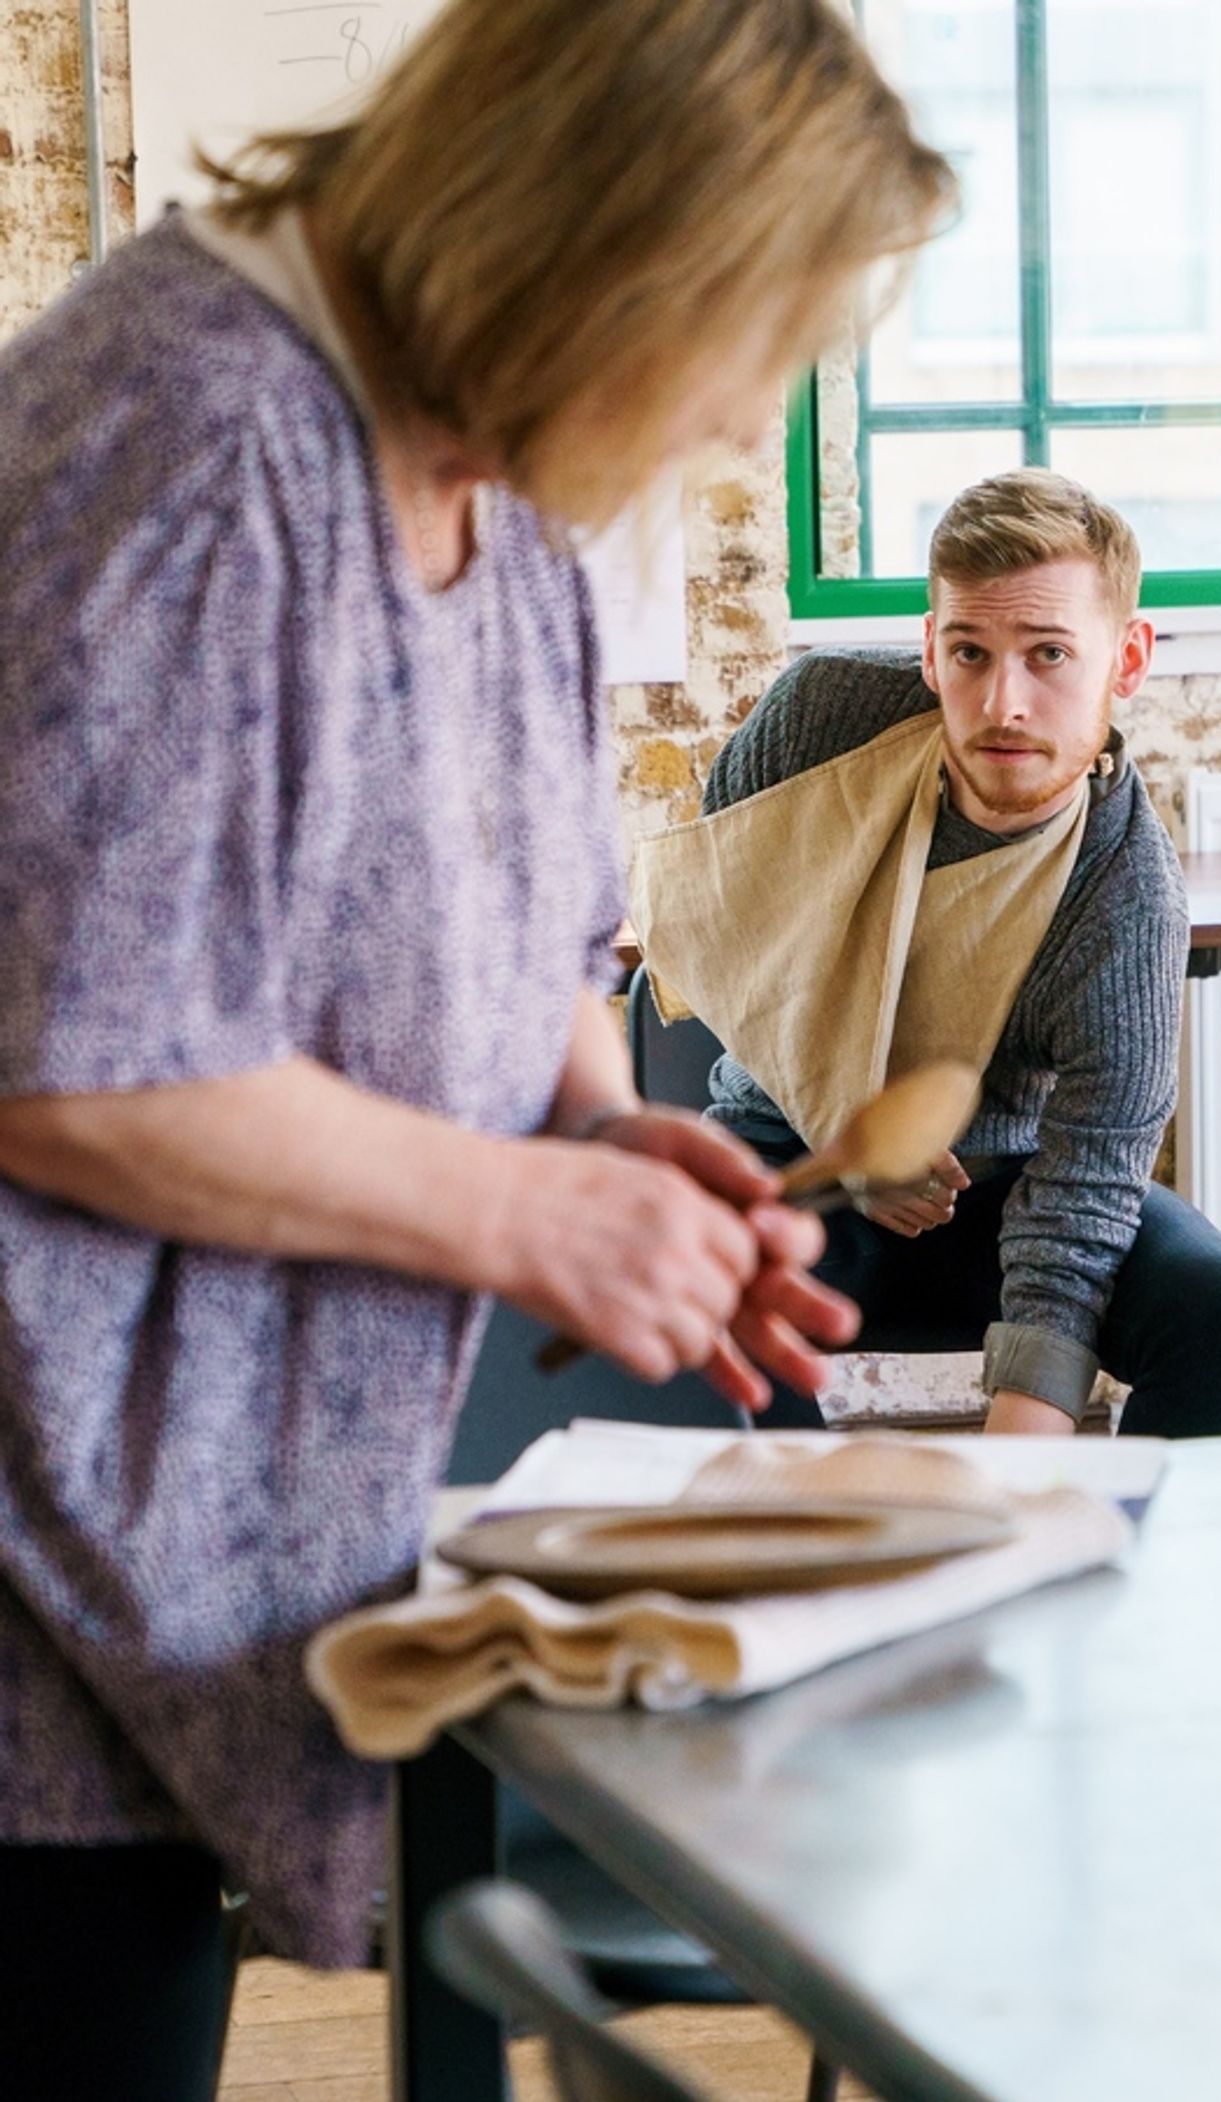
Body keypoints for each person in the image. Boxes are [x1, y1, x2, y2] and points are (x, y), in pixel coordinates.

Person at [0, 3, 955, 2092]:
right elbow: (60, 1056)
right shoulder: (189, 445)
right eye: (742, 345)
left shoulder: (495, 475)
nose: (735, 420)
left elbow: (525, 934)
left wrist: (602, 1134)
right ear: (595, 252)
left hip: (159, 1563)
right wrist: (519, 1212)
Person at [636, 469, 1221, 1442]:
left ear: (1127, 658)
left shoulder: (1126, 896)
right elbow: (728, 935)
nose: (1002, 702)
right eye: (968, 651)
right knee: (693, 1270)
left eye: (1049, 654)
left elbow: (1087, 1180)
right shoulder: (820, 721)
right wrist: (846, 1123)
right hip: (794, 1155)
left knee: (1214, 1304)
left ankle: (1134, 1574)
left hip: (1005, 1189)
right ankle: (785, 1564)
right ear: (929, 650)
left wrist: (1019, 1498)